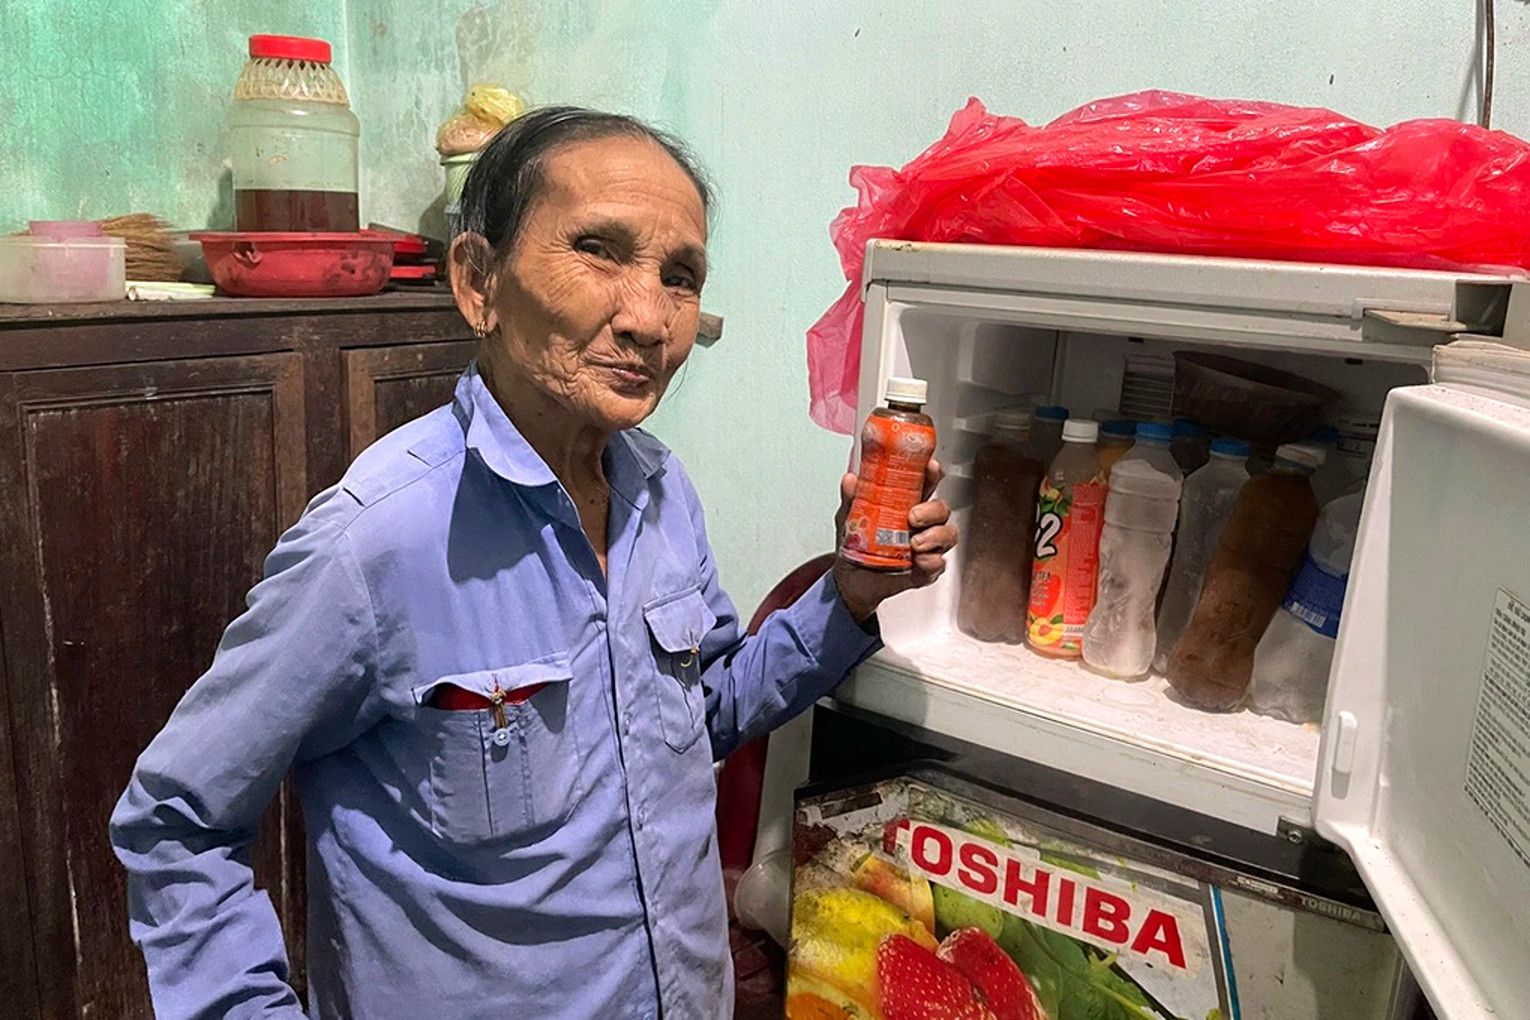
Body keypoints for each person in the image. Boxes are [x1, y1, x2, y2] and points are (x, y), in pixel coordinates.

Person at [110, 106, 956, 1019]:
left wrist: (850, 596)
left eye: (679, 276)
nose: (649, 318)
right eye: (598, 251)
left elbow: (696, 717)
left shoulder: (661, 494)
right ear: (479, 283)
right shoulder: (377, 540)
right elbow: (176, 823)